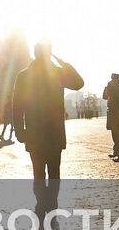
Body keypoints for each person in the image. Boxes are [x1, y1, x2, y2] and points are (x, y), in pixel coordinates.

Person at [12, 42, 83, 207]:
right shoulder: (57, 73)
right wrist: (63, 63)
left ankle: (43, 203)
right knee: (54, 173)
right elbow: (78, 82)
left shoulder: (25, 75)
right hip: (53, 133)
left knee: (39, 173)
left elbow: (17, 107)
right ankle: (50, 203)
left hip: (35, 134)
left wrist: (20, 131)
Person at [102, 73, 119, 162]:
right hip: (112, 115)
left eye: (113, 79)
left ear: (117, 80)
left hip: (118, 116)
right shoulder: (112, 89)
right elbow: (104, 97)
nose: (111, 81)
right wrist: (106, 88)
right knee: (114, 135)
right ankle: (116, 151)